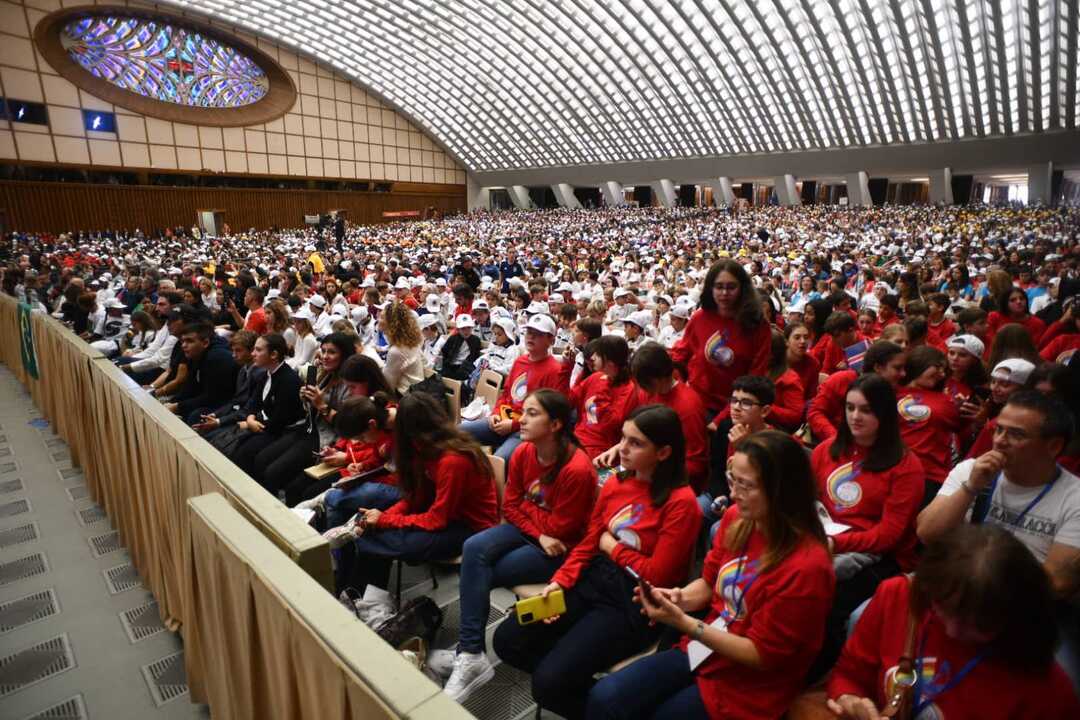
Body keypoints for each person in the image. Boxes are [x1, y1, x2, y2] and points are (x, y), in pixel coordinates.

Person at [586, 430, 835, 720]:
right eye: (733, 481)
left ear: (780, 490)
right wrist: (677, 598)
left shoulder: (808, 566)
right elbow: (708, 583)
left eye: (745, 485)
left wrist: (687, 624)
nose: (733, 494)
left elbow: (762, 655)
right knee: (606, 697)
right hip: (706, 649)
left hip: (750, 683)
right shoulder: (737, 519)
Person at [492, 405, 701, 720]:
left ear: (663, 452)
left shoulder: (682, 503)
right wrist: (559, 582)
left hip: (633, 600)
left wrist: (612, 547)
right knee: (507, 640)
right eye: (623, 439)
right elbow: (590, 543)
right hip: (592, 578)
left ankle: (589, 698)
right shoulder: (617, 482)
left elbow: (658, 574)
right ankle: (589, 693)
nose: (622, 449)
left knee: (548, 683)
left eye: (636, 443)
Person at [436, 390, 597, 703]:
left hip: (560, 551)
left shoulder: (577, 470)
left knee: (484, 569)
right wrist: (538, 528)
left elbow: (559, 530)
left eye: (533, 413)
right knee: (474, 547)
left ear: (555, 424)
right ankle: (471, 652)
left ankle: (468, 654)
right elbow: (509, 505)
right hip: (536, 537)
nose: (521, 418)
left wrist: (531, 516)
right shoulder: (525, 452)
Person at [826, 525, 1080, 719]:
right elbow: (850, 673)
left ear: (1015, 617)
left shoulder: (1048, 691)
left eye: (980, 625)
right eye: (942, 609)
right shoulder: (898, 596)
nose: (952, 630)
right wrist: (850, 698)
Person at [338, 392, 499, 623]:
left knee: (377, 539)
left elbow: (437, 520)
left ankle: (368, 604)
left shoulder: (452, 460)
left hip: (470, 529)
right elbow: (415, 498)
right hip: (446, 518)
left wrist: (384, 520)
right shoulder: (424, 450)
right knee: (368, 534)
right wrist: (383, 516)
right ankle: (365, 601)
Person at [809, 374, 924, 680]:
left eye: (866, 410)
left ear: (884, 415)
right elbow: (805, 499)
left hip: (881, 557)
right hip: (823, 537)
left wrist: (837, 545)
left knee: (825, 597)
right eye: (850, 407)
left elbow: (889, 535)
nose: (855, 417)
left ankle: (816, 676)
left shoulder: (905, 465)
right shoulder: (827, 450)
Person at [917, 390, 1080, 597]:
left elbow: (1058, 583)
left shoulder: (1074, 498)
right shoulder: (971, 471)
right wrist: (971, 487)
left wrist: (978, 578)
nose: (1000, 441)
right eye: (999, 430)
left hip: (1019, 607)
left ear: (1054, 446)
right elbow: (927, 533)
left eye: (1016, 434)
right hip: (953, 586)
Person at [461, 314, 569, 462]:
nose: (530, 337)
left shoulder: (555, 370)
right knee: (456, 433)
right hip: (503, 418)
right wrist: (495, 413)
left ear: (551, 340)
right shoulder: (520, 361)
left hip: (526, 429)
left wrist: (513, 425)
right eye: (529, 333)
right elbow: (506, 394)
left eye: (538, 335)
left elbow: (550, 414)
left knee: (499, 460)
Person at [230, 334, 306, 476]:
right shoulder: (266, 373)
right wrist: (250, 419)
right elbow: (254, 402)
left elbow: (280, 420)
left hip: (284, 431)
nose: (253, 354)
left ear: (274, 354)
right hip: (265, 424)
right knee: (237, 448)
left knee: (247, 453)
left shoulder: (288, 381)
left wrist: (251, 423)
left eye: (258, 350)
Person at [320, 393, 398, 529]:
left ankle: (326, 499)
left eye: (361, 438)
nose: (362, 442)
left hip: (404, 488)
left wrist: (361, 480)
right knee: (338, 507)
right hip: (388, 480)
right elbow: (379, 460)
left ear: (371, 425)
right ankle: (336, 544)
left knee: (338, 498)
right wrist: (362, 467)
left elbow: (397, 473)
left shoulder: (402, 432)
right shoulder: (380, 425)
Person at [896, 346, 963, 504]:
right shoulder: (891, 392)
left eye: (943, 370)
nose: (941, 374)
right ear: (921, 362)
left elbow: (959, 427)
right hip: (895, 472)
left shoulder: (945, 400)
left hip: (930, 476)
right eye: (938, 367)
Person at [807, 340, 906, 442]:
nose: (903, 374)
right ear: (878, 367)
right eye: (897, 368)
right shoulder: (842, 380)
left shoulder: (896, 392)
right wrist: (836, 439)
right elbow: (815, 412)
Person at [569, 335, 641, 459]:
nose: (592, 357)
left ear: (609, 362)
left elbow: (610, 426)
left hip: (600, 450)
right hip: (576, 440)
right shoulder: (596, 377)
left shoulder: (629, 389)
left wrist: (603, 392)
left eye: (598, 354)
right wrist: (567, 367)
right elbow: (569, 400)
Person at [165, 321, 238, 424]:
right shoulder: (196, 354)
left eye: (189, 341)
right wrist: (172, 402)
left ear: (205, 343)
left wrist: (178, 406)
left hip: (230, 403)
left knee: (196, 416)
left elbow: (213, 397)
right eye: (183, 341)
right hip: (215, 400)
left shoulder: (217, 358)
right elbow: (191, 387)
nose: (184, 345)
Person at [379, 301, 425, 396]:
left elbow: (388, 386)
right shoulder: (411, 341)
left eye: (382, 317)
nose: (378, 320)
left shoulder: (396, 351)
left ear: (392, 323)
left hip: (406, 397)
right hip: (416, 392)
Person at [766, 328, 805, 431]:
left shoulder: (789, 379)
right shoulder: (756, 369)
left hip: (776, 431)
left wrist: (763, 407)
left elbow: (795, 416)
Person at [785, 321, 820, 402]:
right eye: (797, 337)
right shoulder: (776, 360)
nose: (803, 341)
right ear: (786, 341)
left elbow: (811, 397)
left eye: (806, 337)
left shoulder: (813, 363)